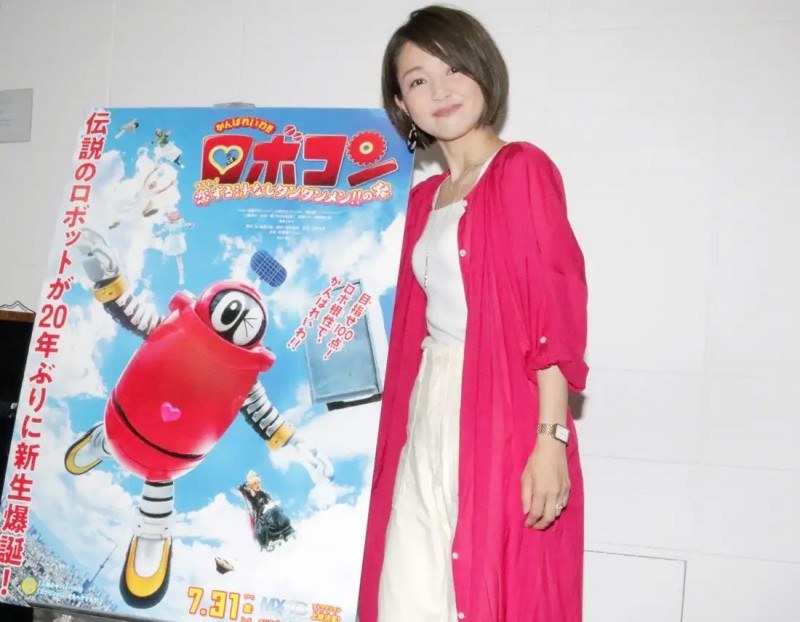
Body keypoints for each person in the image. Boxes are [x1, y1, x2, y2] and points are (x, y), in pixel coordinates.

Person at [359, 6, 589, 622]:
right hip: (425, 406)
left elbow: (552, 312)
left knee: (488, 590)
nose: (439, 90)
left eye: (453, 69)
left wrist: (550, 440)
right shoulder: (420, 201)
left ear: (483, 71)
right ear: (401, 105)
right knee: (407, 590)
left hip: (500, 410)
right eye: (417, 80)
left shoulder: (521, 170)